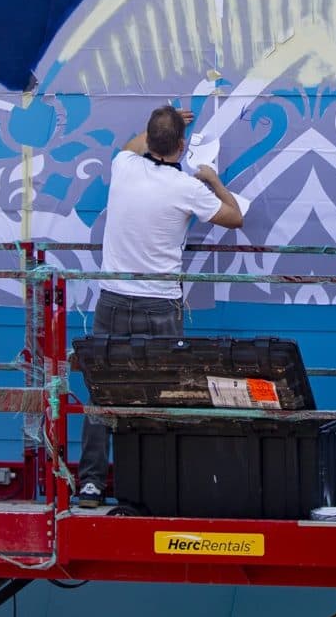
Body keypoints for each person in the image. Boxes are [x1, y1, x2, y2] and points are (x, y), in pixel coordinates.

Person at [77, 104, 245, 507]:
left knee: (103, 391)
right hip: (160, 306)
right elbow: (235, 217)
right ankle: (158, 481)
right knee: (168, 391)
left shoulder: (124, 166)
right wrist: (212, 179)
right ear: (183, 147)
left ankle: (91, 483)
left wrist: (163, 124)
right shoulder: (187, 187)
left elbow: (132, 145)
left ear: (150, 140)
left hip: (113, 299)